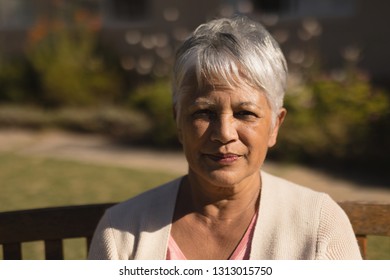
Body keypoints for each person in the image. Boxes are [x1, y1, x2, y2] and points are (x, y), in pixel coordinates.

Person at [88, 16, 362, 260]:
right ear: (178, 121)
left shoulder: (318, 225)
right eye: (204, 112)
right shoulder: (122, 231)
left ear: (275, 126)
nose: (224, 133)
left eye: (245, 113)